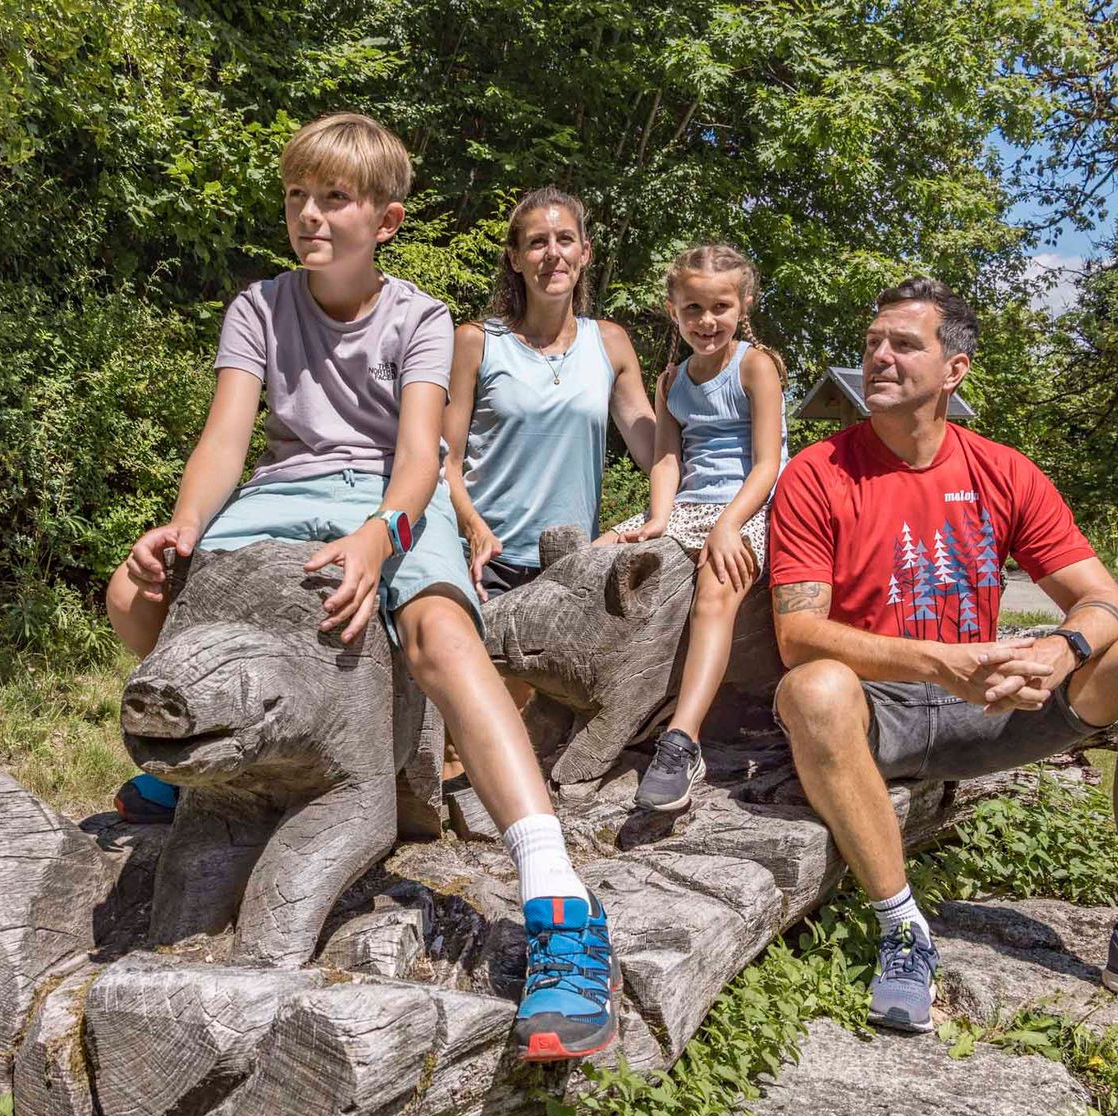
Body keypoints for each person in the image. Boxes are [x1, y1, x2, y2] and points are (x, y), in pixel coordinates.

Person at [103, 114, 618, 1061]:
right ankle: (220, 762)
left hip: (382, 494)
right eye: (297, 196)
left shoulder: (419, 318)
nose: (309, 215)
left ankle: (559, 902)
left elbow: (420, 451)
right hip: (279, 493)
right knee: (129, 599)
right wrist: (181, 529)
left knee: (439, 636)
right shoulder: (259, 306)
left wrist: (385, 535)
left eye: (332, 199)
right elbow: (227, 437)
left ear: (385, 218)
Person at [767, 276, 1118, 1033]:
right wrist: (939, 661)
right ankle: (902, 929)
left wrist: (1062, 647)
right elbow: (800, 634)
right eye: (872, 344)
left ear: (954, 371)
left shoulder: (1004, 471)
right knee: (814, 687)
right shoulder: (817, 473)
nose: (879, 357)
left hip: (989, 709)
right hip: (874, 714)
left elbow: (1106, 599)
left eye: (903, 344)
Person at [597, 244, 786, 812]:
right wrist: (656, 519)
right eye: (693, 309)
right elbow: (666, 459)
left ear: (744, 304)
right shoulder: (671, 378)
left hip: (751, 505)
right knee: (592, 556)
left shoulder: (756, 366)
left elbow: (768, 462)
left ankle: (683, 739)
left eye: (720, 307)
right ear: (673, 310)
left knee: (716, 588)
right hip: (688, 505)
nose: (707, 321)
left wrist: (729, 525)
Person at [443, 187, 657, 604]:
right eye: (537, 242)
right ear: (515, 258)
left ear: (585, 253)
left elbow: (657, 455)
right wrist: (472, 527)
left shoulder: (610, 343)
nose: (552, 253)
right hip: (485, 559)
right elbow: (444, 462)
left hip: (574, 564)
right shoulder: (477, 342)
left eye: (565, 240)